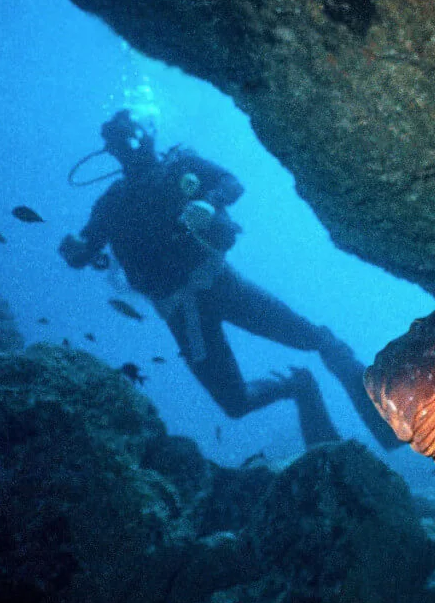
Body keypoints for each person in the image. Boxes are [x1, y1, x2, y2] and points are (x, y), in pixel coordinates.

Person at [59, 109, 401, 450]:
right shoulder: (111, 203)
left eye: (132, 136)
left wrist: (209, 203)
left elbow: (231, 183)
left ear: (148, 135)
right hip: (180, 311)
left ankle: (383, 421)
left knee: (316, 340)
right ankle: (297, 387)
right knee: (235, 404)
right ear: (112, 151)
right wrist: (74, 251)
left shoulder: (179, 166)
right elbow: (85, 250)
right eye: (120, 141)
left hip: (220, 284)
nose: (130, 145)